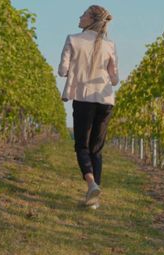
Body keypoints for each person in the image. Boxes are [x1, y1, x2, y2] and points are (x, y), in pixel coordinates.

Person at [58, 5, 118, 210]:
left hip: (84, 98)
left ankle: (92, 184)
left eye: (83, 14)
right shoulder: (109, 45)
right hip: (105, 99)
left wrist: (76, 68)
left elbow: (62, 70)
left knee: (82, 146)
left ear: (91, 19)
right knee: (96, 149)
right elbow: (115, 78)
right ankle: (94, 201)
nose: (80, 16)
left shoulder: (73, 39)